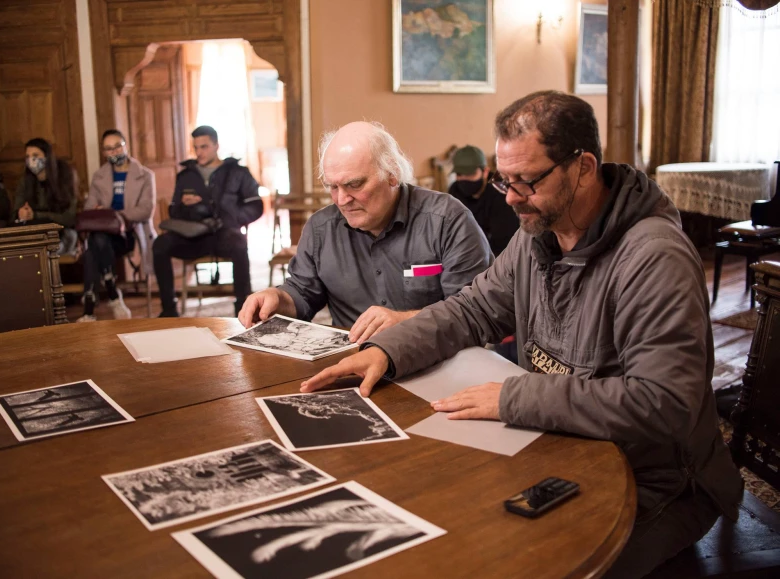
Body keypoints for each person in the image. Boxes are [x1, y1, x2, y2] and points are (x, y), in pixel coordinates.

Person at [299, 92, 744, 578]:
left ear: (583, 166)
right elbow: (472, 309)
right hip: (563, 446)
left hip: (659, 480)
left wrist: (515, 396)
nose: (510, 198)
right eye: (503, 180)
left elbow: (664, 404)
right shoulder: (537, 234)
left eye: (527, 181)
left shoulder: (655, 258)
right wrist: (386, 350)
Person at [237, 121, 493, 344]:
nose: (341, 199)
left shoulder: (447, 220)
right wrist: (277, 297)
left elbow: (474, 313)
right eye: (332, 186)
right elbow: (303, 293)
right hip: (353, 362)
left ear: (392, 174)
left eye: (354, 184)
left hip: (437, 360)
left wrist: (405, 322)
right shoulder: (321, 229)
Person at [153, 125, 263, 317]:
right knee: (160, 244)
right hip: (193, 237)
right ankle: (169, 309)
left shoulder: (238, 172)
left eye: (204, 147)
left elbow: (256, 206)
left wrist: (233, 219)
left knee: (239, 243)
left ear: (216, 146)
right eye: (196, 148)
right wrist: (187, 207)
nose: (199, 152)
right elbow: (173, 210)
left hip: (224, 233)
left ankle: (243, 307)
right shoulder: (186, 175)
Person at [77, 129, 156, 322]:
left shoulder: (145, 175)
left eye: (118, 146)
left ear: (126, 145)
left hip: (128, 233)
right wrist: (100, 212)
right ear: (104, 152)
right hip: (103, 234)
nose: (114, 152)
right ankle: (111, 293)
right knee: (97, 241)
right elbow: (90, 207)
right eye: (108, 149)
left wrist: (114, 215)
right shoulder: (99, 176)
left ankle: (91, 308)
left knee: (94, 247)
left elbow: (145, 209)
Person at [448, 145, 519, 256]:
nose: (464, 179)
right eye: (459, 174)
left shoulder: (501, 193)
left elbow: (505, 240)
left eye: (470, 174)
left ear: (485, 171)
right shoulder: (455, 191)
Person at [12, 138, 78, 254]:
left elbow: (69, 218)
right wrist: (21, 213)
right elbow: (16, 212)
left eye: (36, 155)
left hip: (61, 232)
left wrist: (36, 215)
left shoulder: (65, 176)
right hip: (35, 233)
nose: (31, 160)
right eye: (28, 157)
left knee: (47, 251)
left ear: (47, 157)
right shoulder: (25, 180)